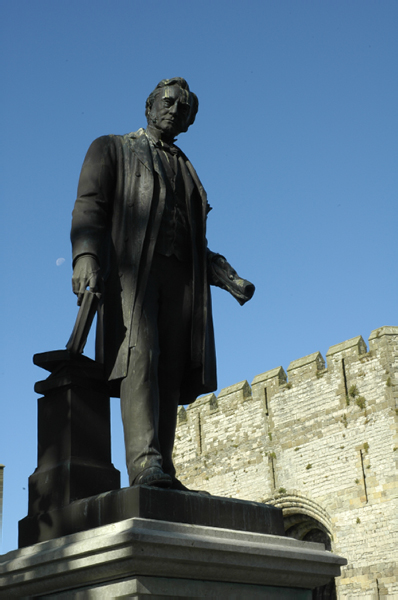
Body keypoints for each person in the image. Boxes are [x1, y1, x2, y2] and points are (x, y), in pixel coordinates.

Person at [71, 78, 254, 490]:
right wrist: (86, 256)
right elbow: (89, 205)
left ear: (189, 122)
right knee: (140, 356)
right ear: (149, 106)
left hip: (181, 281)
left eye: (184, 108)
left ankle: (163, 469)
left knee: (171, 366)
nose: (175, 110)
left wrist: (226, 277)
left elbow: (194, 240)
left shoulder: (188, 171)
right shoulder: (112, 148)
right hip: (131, 275)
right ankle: (144, 463)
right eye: (168, 102)